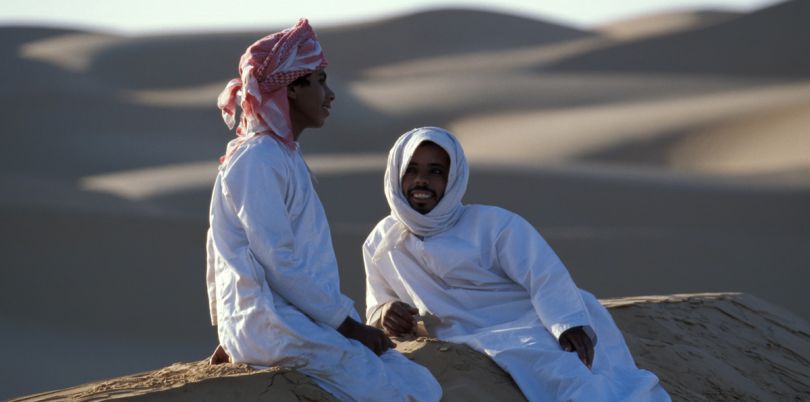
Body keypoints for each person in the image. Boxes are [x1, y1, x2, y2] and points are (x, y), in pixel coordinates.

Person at [205, 20, 441, 401]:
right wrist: (348, 326)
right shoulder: (258, 159)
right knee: (397, 392)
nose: (329, 95)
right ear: (293, 88)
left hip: (296, 321)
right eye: (320, 81)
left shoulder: (281, 155)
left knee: (421, 384)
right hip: (273, 322)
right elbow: (276, 261)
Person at [363, 127, 671, 401]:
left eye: (436, 171)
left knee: (572, 374)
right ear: (396, 173)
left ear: (453, 178)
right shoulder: (381, 242)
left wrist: (567, 323)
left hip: (531, 320)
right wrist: (387, 313)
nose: (421, 180)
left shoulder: (492, 223)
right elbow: (377, 303)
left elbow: (543, 274)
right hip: (465, 333)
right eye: (411, 169)